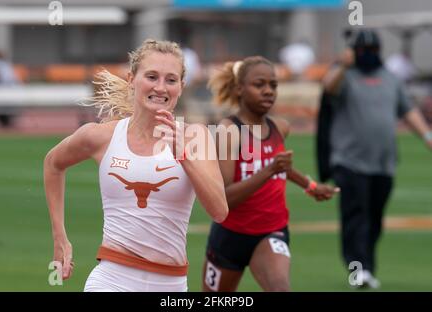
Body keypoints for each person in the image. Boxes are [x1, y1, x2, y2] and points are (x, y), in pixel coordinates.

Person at [44, 39, 228, 292]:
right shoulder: (101, 136)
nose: (161, 87)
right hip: (110, 281)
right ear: (132, 79)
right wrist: (60, 237)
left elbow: (219, 211)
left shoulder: (195, 137)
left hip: (171, 285)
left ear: (182, 87)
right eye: (151, 76)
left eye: (171, 80)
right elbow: (53, 164)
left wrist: (183, 156)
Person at [201, 56, 340, 292]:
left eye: (273, 85)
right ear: (239, 89)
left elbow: (281, 167)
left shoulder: (280, 127)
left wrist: (312, 186)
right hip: (229, 237)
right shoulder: (229, 131)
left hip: (271, 231)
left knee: (280, 289)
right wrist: (269, 171)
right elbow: (225, 199)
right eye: (259, 84)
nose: (268, 91)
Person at [322, 29, 432, 288]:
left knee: (374, 218)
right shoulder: (346, 76)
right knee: (355, 217)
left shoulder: (390, 78)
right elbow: (329, 88)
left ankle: (367, 267)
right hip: (349, 161)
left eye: (373, 51)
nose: (368, 55)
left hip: (383, 163)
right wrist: (341, 64)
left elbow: (407, 111)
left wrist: (427, 136)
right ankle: (357, 268)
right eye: (363, 51)